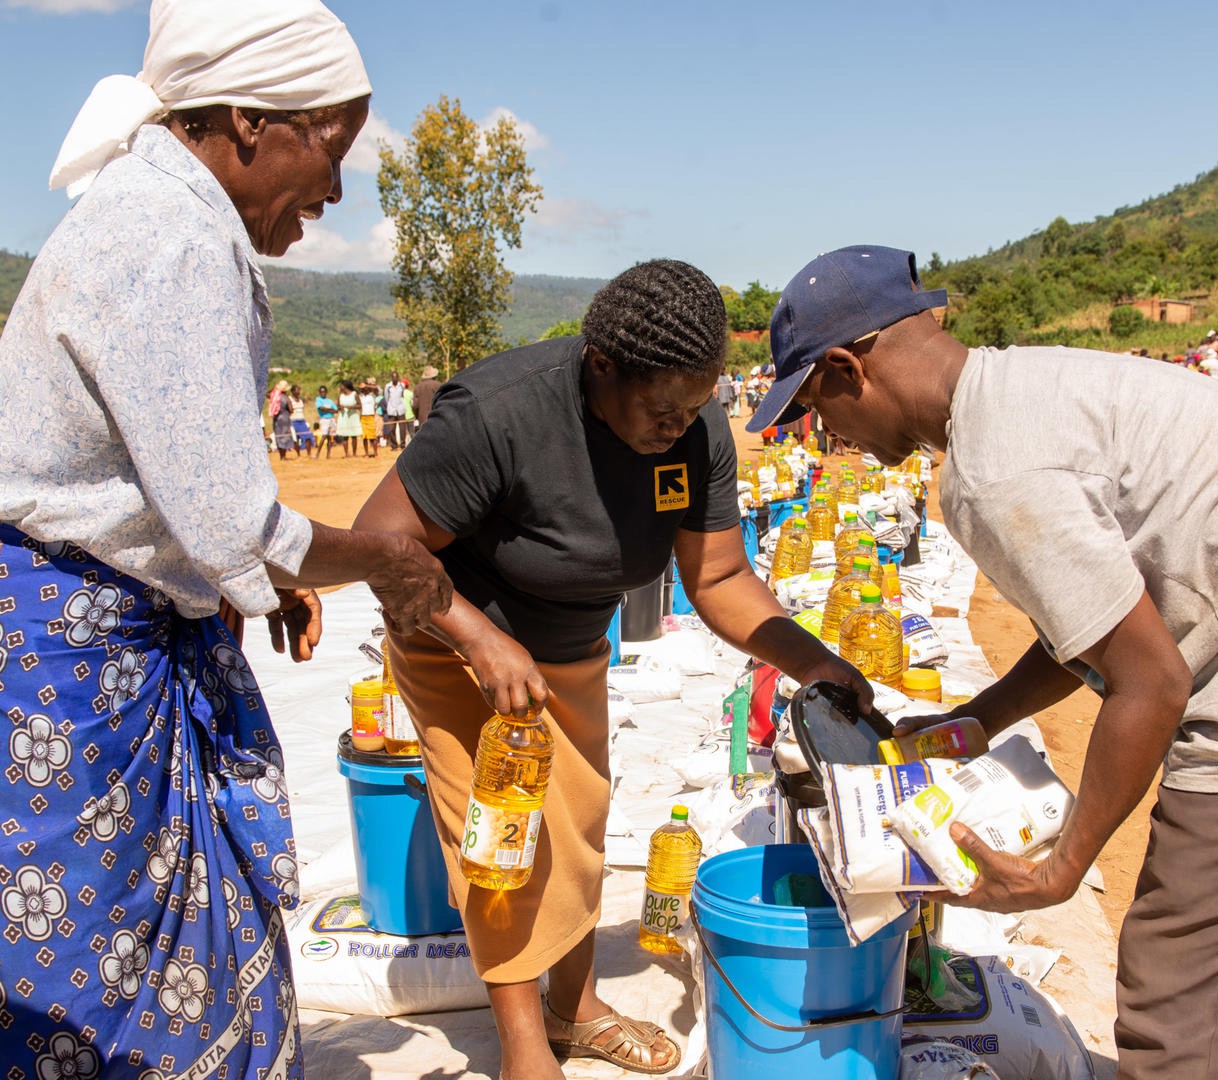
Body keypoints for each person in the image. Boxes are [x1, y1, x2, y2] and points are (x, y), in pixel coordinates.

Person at [0, 3, 454, 1075]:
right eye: (331, 150)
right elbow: (234, 524)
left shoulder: (161, 215)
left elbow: (190, 503)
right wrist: (376, 562)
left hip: (106, 636)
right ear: (250, 120)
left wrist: (258, 578)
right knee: (110, 976)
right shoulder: (169, 238)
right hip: (77, 672)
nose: (336, 192)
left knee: (161, 946)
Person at [754, 244, 1218, 1080]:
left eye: (817, 405)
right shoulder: (1015, 390)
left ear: (844, 368)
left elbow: (1151, 679)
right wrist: (982, 719)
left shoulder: (992, 470)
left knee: (1186, 1008)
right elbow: (1096, 625)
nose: (826, 434)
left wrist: (1061, 867)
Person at [353, 259, 868, 1080]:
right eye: (662, 408)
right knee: (504, 836)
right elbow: (380, 546)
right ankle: (525, 1046)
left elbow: (721, 579)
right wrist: (481, 641)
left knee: (579, 826)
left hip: (572, 646)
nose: (680, 426)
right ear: (602, 365)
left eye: (695, 407)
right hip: (457, 641)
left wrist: (816, 662)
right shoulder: (500, 413)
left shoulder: (695, 434)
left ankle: (574, 1006)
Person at [270, 377, 295, 458]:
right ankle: (284, 456)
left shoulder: (275, 397)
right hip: (285, 418)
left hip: (276, 418)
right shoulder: (286, 398)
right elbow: (291, 409)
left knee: (278, 435)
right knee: (285, 435)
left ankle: (281, 456)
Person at [336, 377, 361, 454]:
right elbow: (338, 406)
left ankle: (354, 453)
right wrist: (341, 408)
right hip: (344, 417)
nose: (340, 387)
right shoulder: (340, 396)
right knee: (345, 436)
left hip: (353, 416)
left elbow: (359, 405)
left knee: (354, 436)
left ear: (345, 386)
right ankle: (346, 453)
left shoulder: (354, 395)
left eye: (341, 385)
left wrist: (351, 407)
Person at [384, 368, 407, 450]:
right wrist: (390, 405)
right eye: (393, 377)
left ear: (398, 377)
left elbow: (403, 396)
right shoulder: (388, 387)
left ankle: (403, 444)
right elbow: (386, 398)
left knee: (402, 428)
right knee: (391, 428)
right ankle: (394, 445)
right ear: (391, 378)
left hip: (400, 409)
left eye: (396, 377)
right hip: (391, 410)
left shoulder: (402, 386)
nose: (394, 378)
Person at [315, 382, 338, 458]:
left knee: (330, 437)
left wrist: (327, 410)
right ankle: (317, 454)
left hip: (331, 419)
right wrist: (330, 410)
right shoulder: (318, 399)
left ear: (326, 392)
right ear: (319, 392)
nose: (323, 393)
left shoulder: (330, 401)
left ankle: (328, 454)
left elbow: (336, 410)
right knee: (324, 436)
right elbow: (322, 409)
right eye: (321, 392)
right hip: (324, 419)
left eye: (324, 392)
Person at [289, 382, 313, 453]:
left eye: (299, 390)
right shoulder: (289, 399)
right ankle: (298, 454)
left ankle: (309, 454)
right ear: (293, 391)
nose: (298, 392)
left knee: (308, 437)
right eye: (297, 390)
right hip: (293, 421)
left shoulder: (300, 400)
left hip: (302, 420)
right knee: (296, 438)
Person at [359, 375, 380, 456]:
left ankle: (375, 453)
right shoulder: (360, 396)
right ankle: (366, 453)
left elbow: (377, 389)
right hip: (363, 417)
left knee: (372, 436)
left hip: (371, 417)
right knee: (364, 437)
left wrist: (366, 385)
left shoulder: (372, 395)